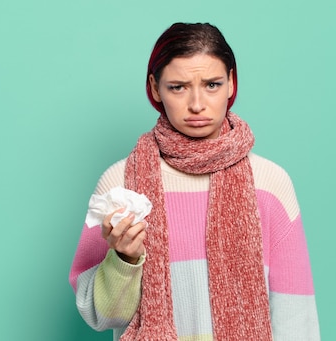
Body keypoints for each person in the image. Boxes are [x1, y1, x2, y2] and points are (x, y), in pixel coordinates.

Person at [69, 22, 320, 341]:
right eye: (178, 87)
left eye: (212, 84)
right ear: (155, 87)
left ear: (231, 83)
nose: (197, 104)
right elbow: (98, 316)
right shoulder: (121, 184)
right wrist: (124, 259)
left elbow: (296, 316)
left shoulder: (270, 184)